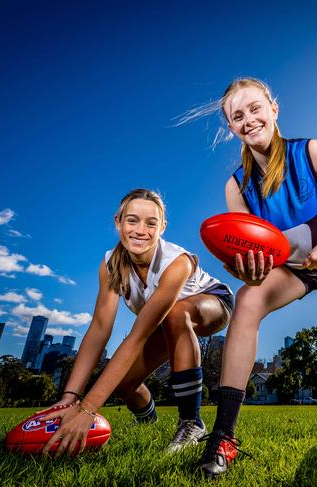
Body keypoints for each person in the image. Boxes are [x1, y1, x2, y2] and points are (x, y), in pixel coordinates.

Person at [194, 78, 317, 478]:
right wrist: (242, 269)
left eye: (254, 108)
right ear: (231, 128)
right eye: (237, 116)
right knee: (247, 300)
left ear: (273, 108)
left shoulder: (310, 151)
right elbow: (241, 254)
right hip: (287, 269)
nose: (248, 120)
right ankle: (223, 437)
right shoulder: (237, 186)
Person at [40, 188, 233, 457]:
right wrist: (70, 397)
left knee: (178, 313)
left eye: (151, 223)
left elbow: (137, 336)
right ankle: (147, 421)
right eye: (132, 220)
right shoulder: (109, 265)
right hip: (166, 322)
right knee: (123, 385)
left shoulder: (176, 262)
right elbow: (98, 329)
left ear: (162, 227)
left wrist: (88, 409)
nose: (141, 230)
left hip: (212, 304)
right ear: (118, 222)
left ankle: (191, 423)